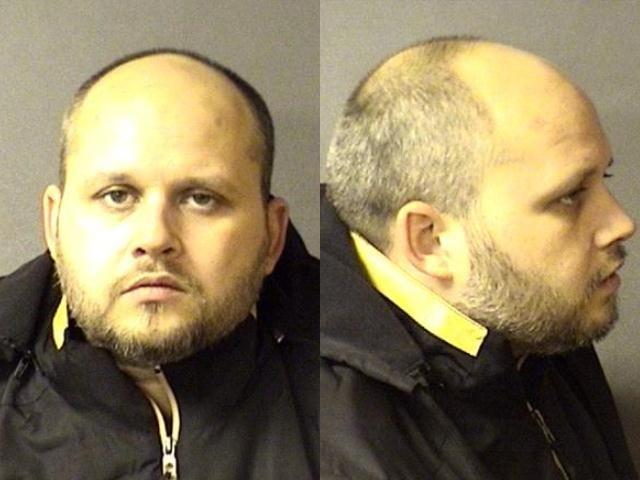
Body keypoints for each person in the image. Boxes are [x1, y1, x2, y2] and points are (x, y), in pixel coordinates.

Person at [321, 37, 637, 479]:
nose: (621, 223)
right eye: (570, 197)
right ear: (431, 242)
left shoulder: (530, 310)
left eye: (606, 176)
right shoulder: (340, 452)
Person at [0, 49, 318, 479]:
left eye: (201, 199)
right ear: (54, 224)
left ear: (271, 235)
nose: (154, 238)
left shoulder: (353, 392)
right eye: (117, 195)